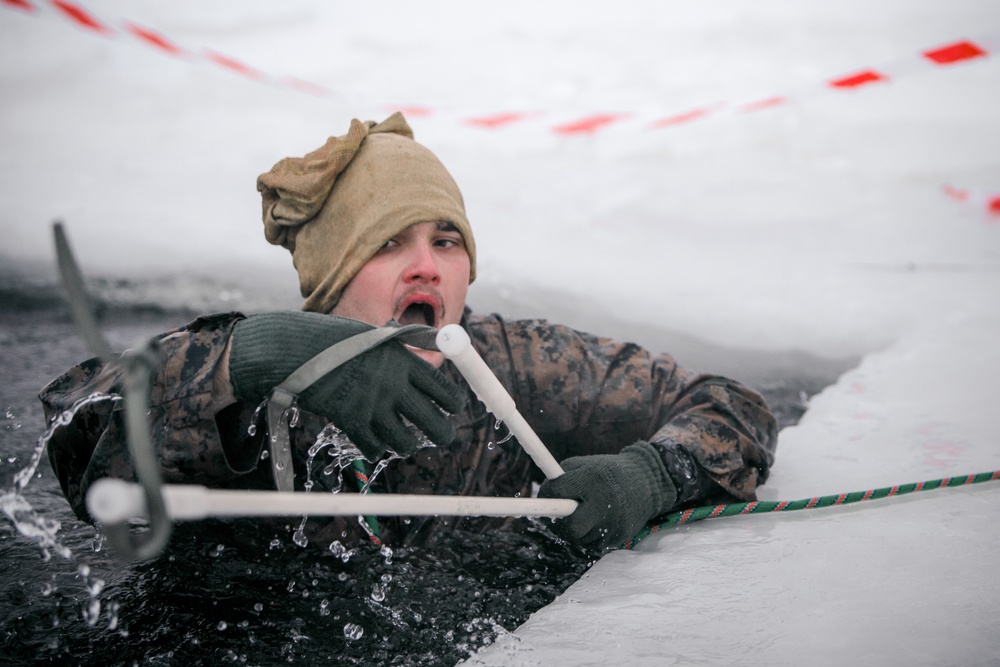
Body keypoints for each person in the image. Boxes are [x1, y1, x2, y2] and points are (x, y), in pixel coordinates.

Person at [40, 113, 778, 552]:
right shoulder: (248, 373)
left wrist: (650, 474)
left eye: (447, 241)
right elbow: (74, 440)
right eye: (389, 243)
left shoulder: (513, 364)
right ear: (330, 279)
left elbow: (731, 405)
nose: (426, 265)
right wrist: (262, 356)